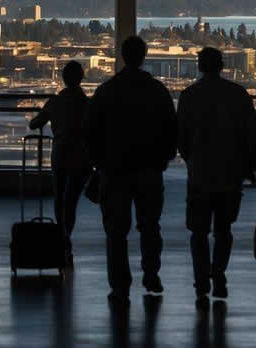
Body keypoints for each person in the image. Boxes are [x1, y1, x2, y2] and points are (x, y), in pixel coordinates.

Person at [88, 35, 177, 306]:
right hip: (149, 169)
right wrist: (163, 158)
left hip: (114, 171)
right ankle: (151, 274)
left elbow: (91, 132)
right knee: (150, 226)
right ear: (144, 56)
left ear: (123, 56)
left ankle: (119, 285)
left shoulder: (106, 91)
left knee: (116, 232)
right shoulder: (157, 91)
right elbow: (170, 130)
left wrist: (99, 162)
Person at [177, 47, 256, 308]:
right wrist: (248, 166)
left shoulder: (189, 96)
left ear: (200, 66)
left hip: (200, 174)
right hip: (230, 175)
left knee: (198, 231)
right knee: (224, 231)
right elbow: (251, 136)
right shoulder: (238, 95)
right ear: (222, 65)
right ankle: (219, 275)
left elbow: (181, 137)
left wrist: (191, 159)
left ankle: (201, 280)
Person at [29, 60, 90, 265]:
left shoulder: (55, 102)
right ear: (81, 78)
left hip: (60, 154)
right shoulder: (87, 104)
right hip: (81, 157)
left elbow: (34, 123)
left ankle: (61, 236)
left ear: (63, 79)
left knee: (59, 197)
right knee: (71, 201)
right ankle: (66, 238)